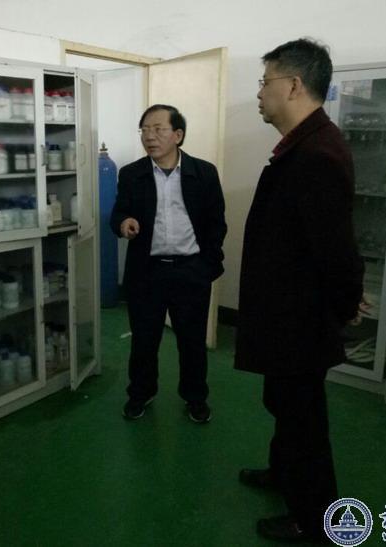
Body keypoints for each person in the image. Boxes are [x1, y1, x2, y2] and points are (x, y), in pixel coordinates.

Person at [234, 39, 365, 543]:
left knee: (304, 421)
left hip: (300, 321)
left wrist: (346, 303)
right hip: (286, 314)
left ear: (292, 85)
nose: (259, 93)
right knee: (284, 404)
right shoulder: (305, 145)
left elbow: (336, 249)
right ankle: (282, 473)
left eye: (264, 82)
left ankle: (315, 519)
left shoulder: (317, 154)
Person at [110, 104, 227, 423]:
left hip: (191, 271)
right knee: (144, 341)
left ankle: (195, 397)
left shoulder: (203, 172)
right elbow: (118, 213)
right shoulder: (131, 174)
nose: (150, 136)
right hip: (146, 272)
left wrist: (208, 265)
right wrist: (123, 223)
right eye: (145, 130)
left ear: (178, 135)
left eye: (158, 129)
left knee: (192, 342)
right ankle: (140, 393)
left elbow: (217, 223)